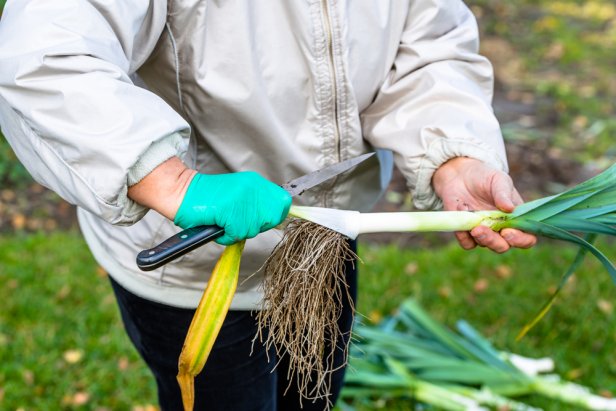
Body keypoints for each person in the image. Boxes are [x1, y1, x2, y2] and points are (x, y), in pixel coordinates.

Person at [0, 1, 536, 410]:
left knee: (314, 396)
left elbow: (427, 41)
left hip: (324, 244)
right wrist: (176, 183)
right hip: (197, 271)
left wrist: (452, 153)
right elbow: (45, 59)